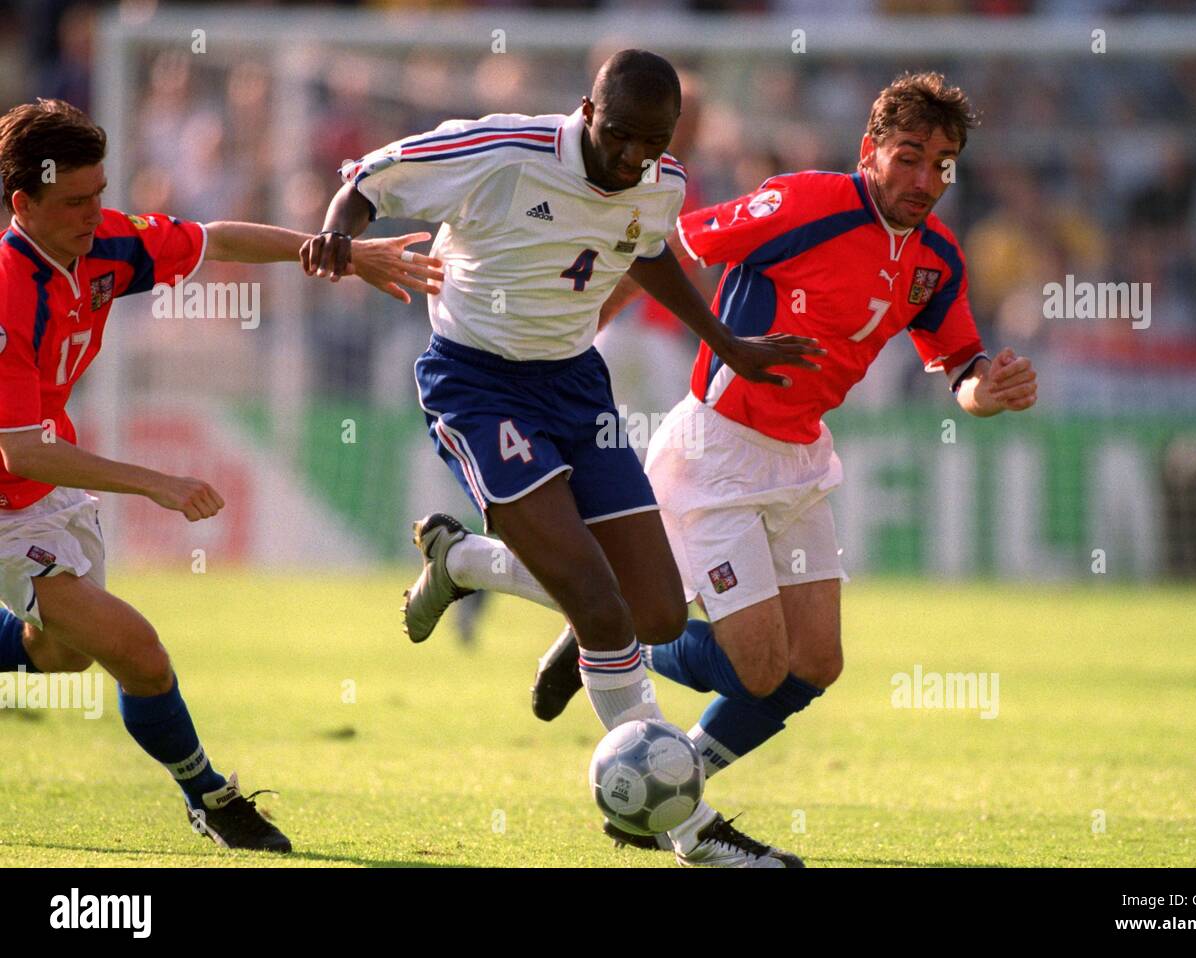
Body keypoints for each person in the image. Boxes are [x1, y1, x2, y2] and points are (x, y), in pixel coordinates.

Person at [400, 71, 1039, 862]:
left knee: (815, 664)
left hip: (802, 458)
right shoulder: (803, 203)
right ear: (869, 150)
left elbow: (961, 367)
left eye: (942, 164)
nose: (925, 179)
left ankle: (665, 772)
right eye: (909, 157)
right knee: (757, 666)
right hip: (718, 452)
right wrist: (571, 343)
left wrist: (990, 389)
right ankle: (606, 636)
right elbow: (658, 249)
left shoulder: (938, 258)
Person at [302, 50, 821, 867]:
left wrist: (727, 342)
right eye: (618, 137)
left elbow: (648, 250)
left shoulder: (662, 179)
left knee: (655, 614)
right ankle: (688, 830)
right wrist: (337, 228)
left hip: (579, 388)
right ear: (586, 109)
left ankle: (468, 561)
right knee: (603, 610)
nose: (630, 159)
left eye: (650, 144)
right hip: (478, 383)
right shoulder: (502, 151)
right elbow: (368, 177)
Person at [0, 98, 439, 852]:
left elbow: (216, 241)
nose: (93, 213)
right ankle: (212, 796)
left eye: (99, 194)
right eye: (74, 202)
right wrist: (158, 483)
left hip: (50, 488)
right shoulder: (10, 293)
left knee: (61, 651)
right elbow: (20, 451)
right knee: (138, 651)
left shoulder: (106, 243)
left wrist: (337, 249)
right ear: (23, 205)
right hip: (9, 499)